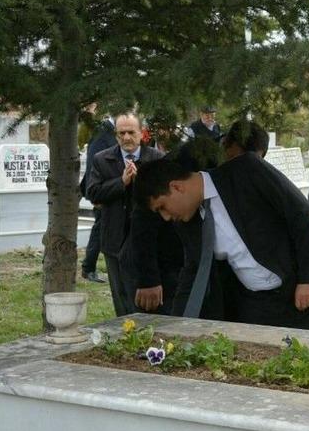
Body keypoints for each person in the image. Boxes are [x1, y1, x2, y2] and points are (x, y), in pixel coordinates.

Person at [133, 152, 309, 331]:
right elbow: (194, 268)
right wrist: (177, 325)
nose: (166, 217)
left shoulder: (246, 171)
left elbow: (301, 213)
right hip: (255, 307)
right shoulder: (187, 221)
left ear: (176, 187)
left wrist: (308, 280)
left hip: (302, 296)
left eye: (162, 207)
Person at [121, 137, 222, 314]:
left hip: (179, 263)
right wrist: (148, 279)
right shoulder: (170, 174)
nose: (167, 217)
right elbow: (141, 223)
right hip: (156, 267)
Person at [86, 113, 163, 316]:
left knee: (147, 299)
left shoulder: (155, 158)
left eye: (131, 132)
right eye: (121, 133)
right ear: (115, 135)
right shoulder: (102, 159)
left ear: (141, 133)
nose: (127, 138)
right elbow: (92, 192)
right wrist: (121, 183)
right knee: (121, 299)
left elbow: (164, 194)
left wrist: (140, 182)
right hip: (114, 239)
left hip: (148, 240)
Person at [79, 108, 116, 283]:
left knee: (103, 227)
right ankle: (88, 268)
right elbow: (94, 164)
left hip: (114, 188)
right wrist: (95, 195)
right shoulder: (103, 132)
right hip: (102, 190)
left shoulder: (115, 132)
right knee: (100, 229)